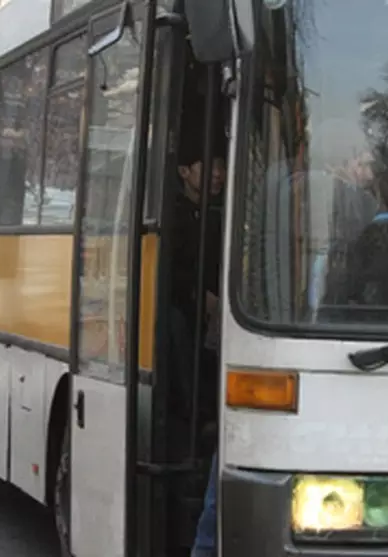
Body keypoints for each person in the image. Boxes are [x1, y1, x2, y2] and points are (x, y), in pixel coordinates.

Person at [170, 130, 226, 557]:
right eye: (209, 167)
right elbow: (173, 273)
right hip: (183, 314)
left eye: (222, 167)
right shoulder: (172, 215)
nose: (219, 175)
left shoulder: (219, 215)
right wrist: (200, 298)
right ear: (184, 172)